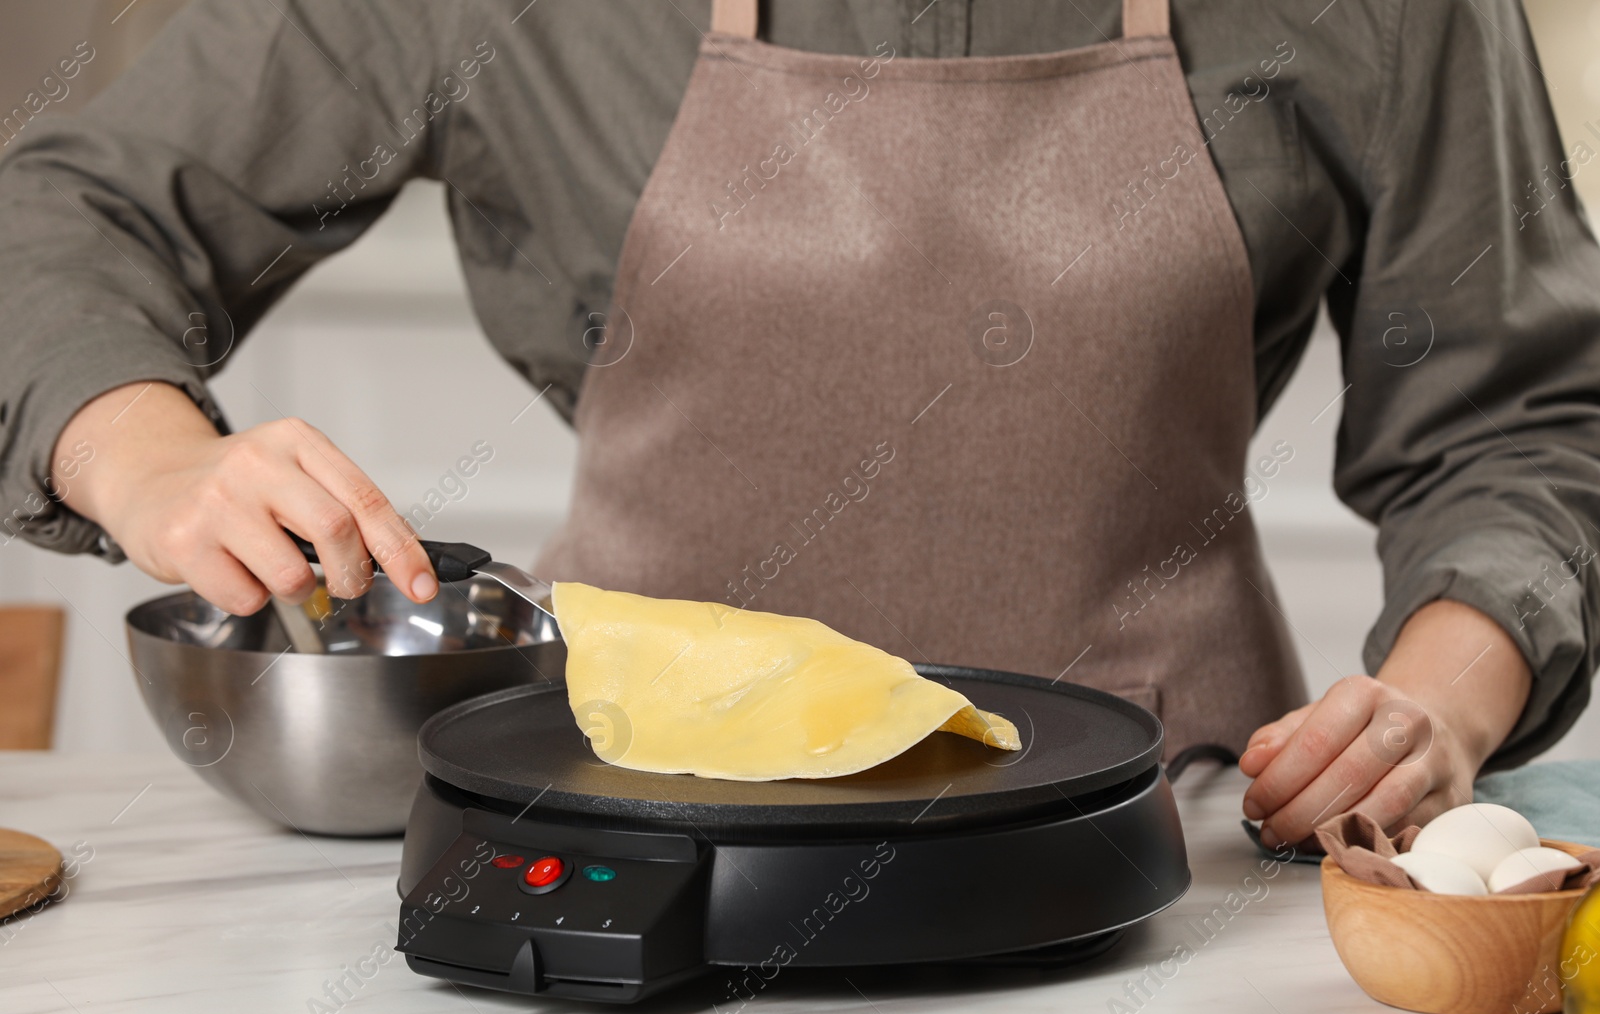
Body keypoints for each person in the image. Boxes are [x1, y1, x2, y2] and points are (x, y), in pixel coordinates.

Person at [1, 0, 1596, 852]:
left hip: (1165, 861)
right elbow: (60, 217)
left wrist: (1441, 708)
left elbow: (1526, 424)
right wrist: (153, 459)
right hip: (609, 850)